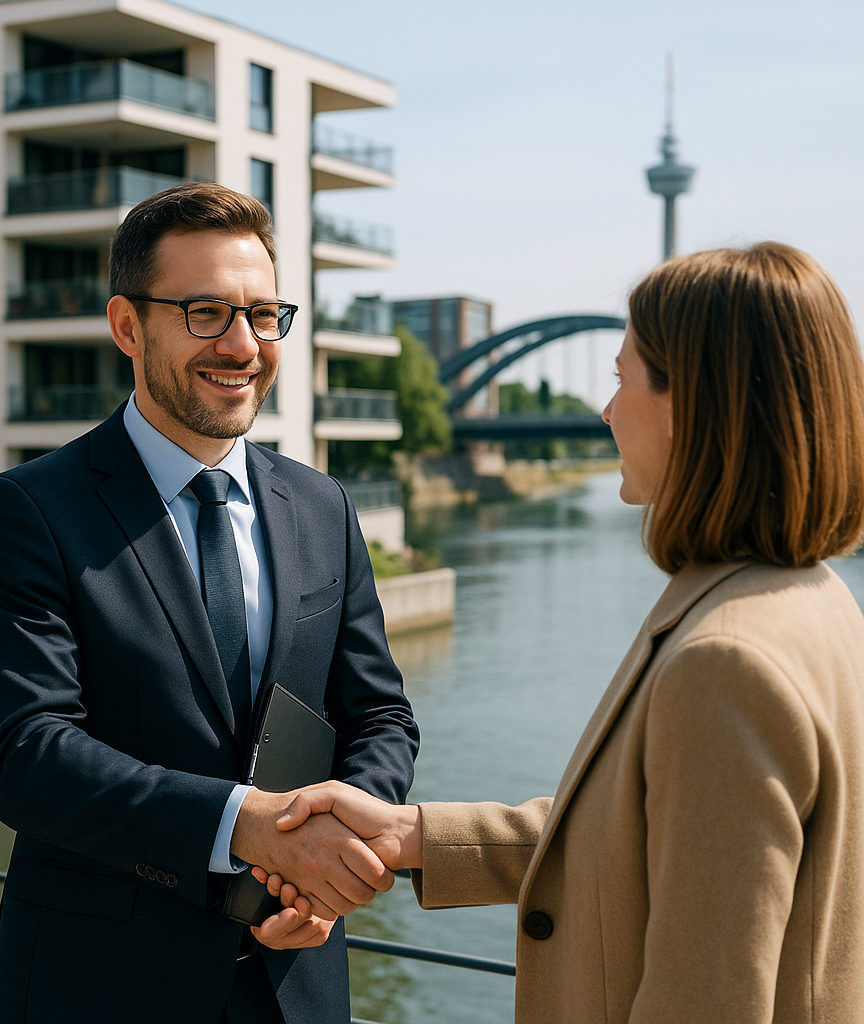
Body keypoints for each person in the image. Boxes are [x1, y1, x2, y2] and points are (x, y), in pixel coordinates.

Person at [266, 242, 864, 1022]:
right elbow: (652, 837)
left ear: (700, 403)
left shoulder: (725, 662)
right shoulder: (811, 600)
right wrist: (413, 833)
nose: (606, 410)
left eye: (624, 378)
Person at [0, 182, 419, 1024]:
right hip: (95, 988)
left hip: (296, 979)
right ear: (128, 327)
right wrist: (247, 823)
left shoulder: (324, 507)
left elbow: (380, 717)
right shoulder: (26, 510)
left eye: (263, 313)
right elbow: (28, 754)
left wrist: (333, 866)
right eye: (205, 312)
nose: (243, 345)